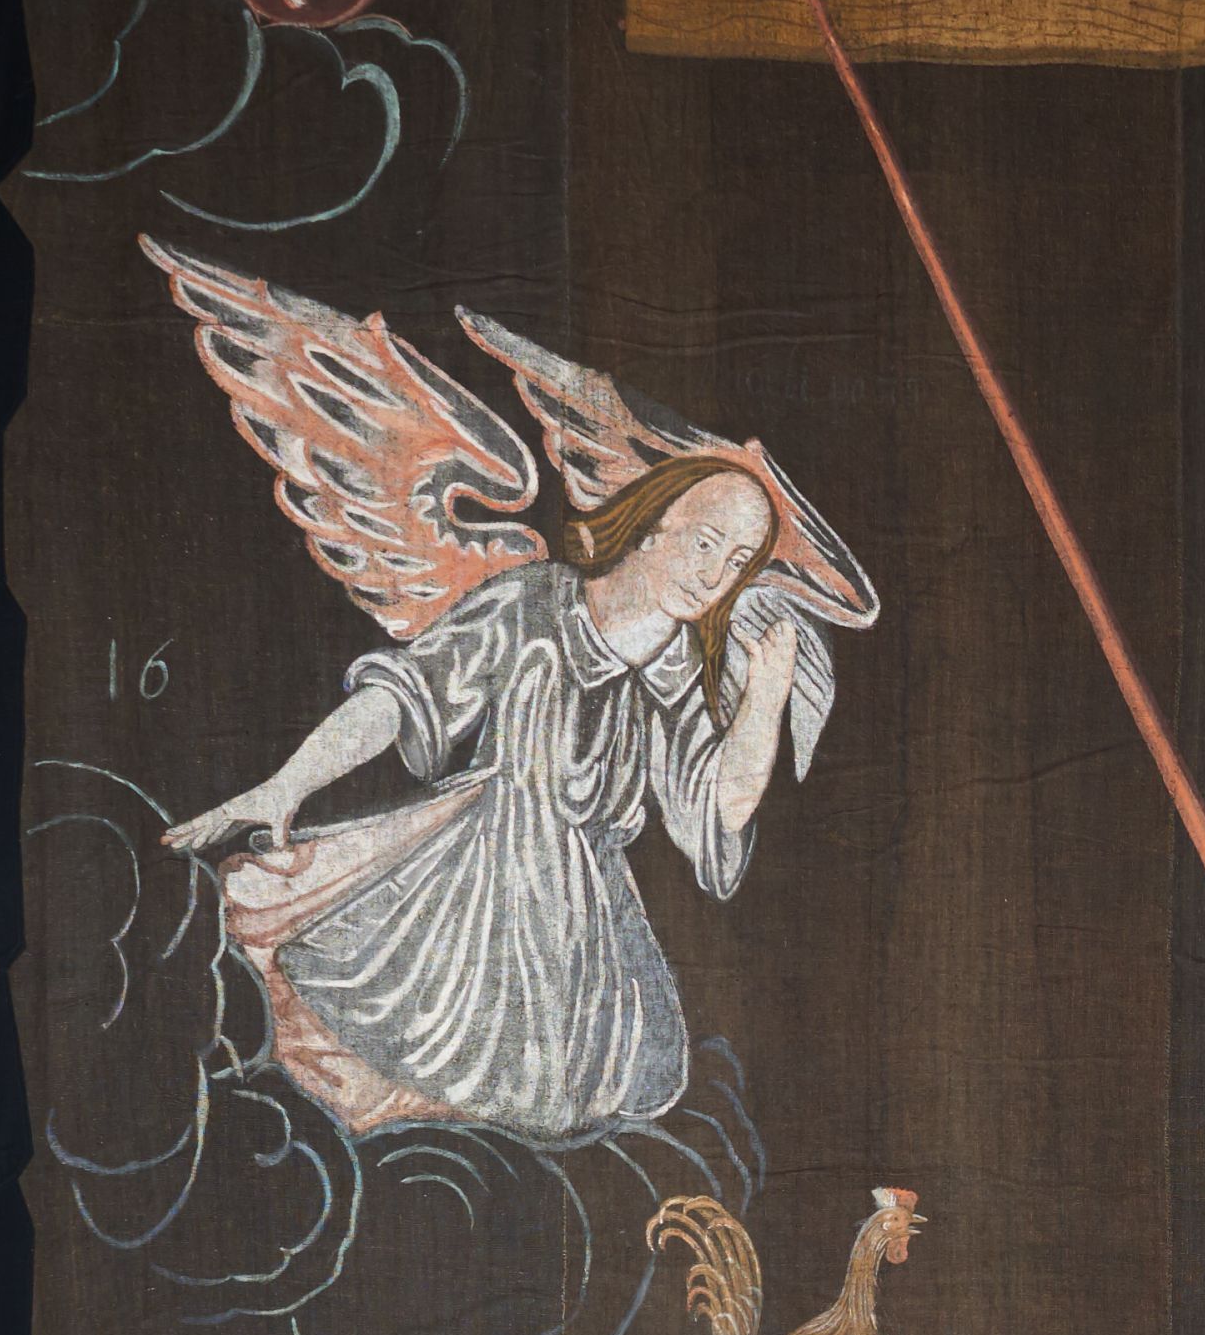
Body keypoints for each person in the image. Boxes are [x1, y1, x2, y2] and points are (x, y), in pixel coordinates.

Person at [161, 462, 805, 1144]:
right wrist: (288, 784)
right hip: (469, 879)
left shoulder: (679, 672)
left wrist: (765, 701)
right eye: (705, 544)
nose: (713, 576)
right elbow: (407, 694)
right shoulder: (534, 603)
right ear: (652, 527)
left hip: (579, 937)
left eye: (737, 563)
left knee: (524, 1111)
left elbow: (720, 809)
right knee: (377, 1044)